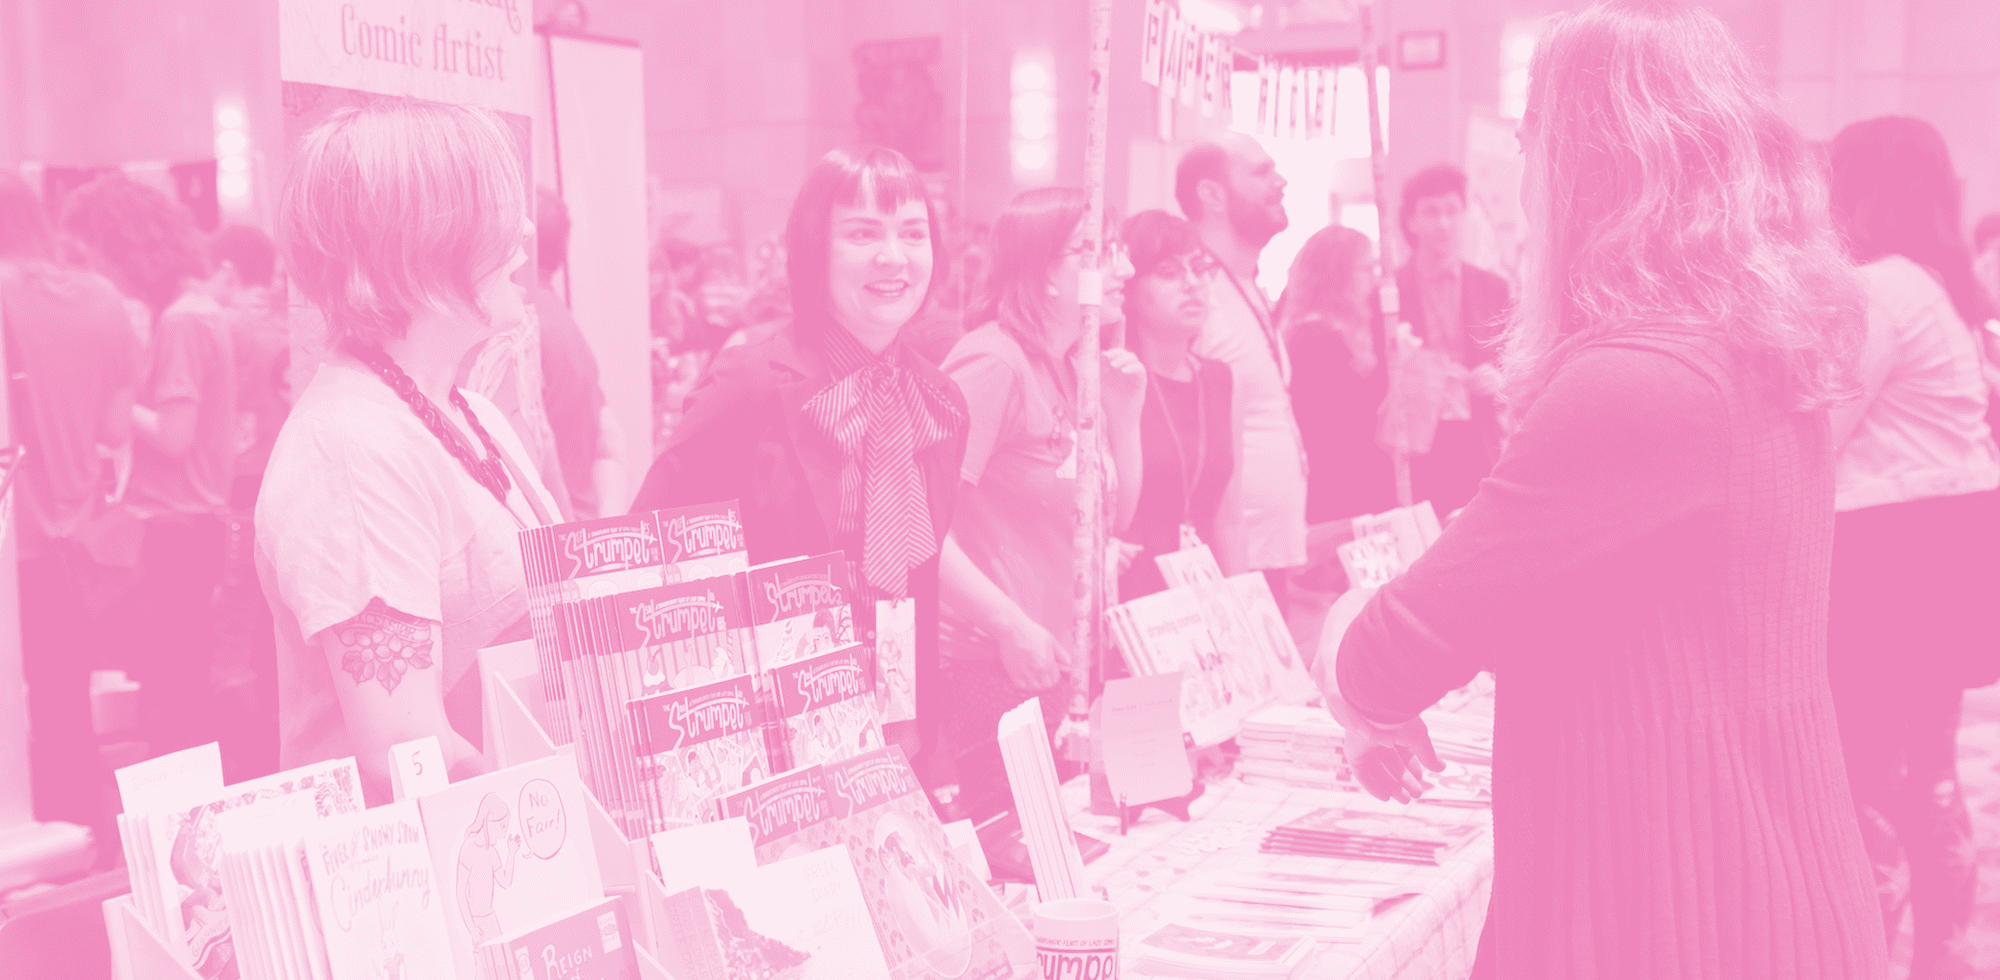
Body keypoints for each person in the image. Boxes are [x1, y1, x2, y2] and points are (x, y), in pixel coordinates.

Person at [1322, 2, 1886, 976]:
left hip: (1675, 907)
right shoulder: (1753, 348)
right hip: (1766, 876)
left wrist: (1344, 634)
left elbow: (1387, 655)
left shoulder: (1635, 381)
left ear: (1585, 167)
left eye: (1529, 140)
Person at [631, 146, 970, 778]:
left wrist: (925, 748)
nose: (893, 256)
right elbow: (647, 558)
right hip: (757, 753)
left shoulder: (939, 401)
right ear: (814, 251)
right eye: (862, 234)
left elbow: (915, 593)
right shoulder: (748, 384)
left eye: (912, 233)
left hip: (890, 747)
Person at [263, 100, 563, 805]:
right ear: (420, 246)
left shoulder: (473, 415)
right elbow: (404, 751)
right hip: (446, 858)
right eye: (494, 211)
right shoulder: (351, 451)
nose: (524, 232)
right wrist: (570, 802)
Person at [1823, 115, 2000, 978]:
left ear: (1864, 193)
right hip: (1948, 548)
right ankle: (1946, 957)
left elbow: (1818, 430)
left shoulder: (1877, 290)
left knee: (1866, 784)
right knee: (1929, 775)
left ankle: (1867, 958)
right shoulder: (1943, 289)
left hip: (1887, 559)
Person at [937, 187, 1141, 818]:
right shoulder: (992, 363)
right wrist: (1009, 625)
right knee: (1018, 853)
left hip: (1057, 663)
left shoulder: (1067, 367)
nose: (1124, 267)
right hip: (991, 666)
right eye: (1096, 250)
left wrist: (1126, 416)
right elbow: (916, 525)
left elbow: (1111, 521)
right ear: (1044, 272)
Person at [62, 173, 238, 758]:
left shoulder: (182, 320)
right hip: (190, 528)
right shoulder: (199, 311)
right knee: (181, 687)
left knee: (173, 697)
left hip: (175, 530)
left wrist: (111, 401)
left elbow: (174, 435)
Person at [0, 173, 136, 840]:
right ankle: (82, 842)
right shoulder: (103, 300)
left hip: (13, 537)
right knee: (64, 705)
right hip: (76, 540)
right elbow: (115, 429)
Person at [1176, 135, 1307, 611]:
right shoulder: (1194, 294)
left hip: (1269, 552)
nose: (1281, 181)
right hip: (1226, 561)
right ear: (1212, 194)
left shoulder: (1244, 283)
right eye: (1261, 172)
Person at [1115, 209, 1233, 602]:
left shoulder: (1219, 379)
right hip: (1131, 594)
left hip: (1204, 592)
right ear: (1130, 289)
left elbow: (1229, 519)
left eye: (1199, 269)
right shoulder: (1112, 377)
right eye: (1169, 272)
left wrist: (1242, 607)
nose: (1192, 284)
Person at [1392, 165, 1513, 517]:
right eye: (1431, 212)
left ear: (1464, 215)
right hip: (1418, 441)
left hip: (1478, 436)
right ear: (1412, 221)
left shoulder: (1493, 288)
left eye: (1452, 211)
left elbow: (1514, 362)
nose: (1443, 223)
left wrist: (1498, 378)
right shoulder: (1389, 292)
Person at [1278, 225, 1398, 527]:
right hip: (1338, 492)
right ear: (1337, 275)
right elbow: (1345, 425)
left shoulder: (1332, 330)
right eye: (1365, 269)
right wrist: (1396, 367)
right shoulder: (1315, 337)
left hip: (1347, 485)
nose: (1373, 280)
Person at [532, 187, 610, 519]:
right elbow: (610, 444)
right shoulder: (563, 326)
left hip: (548, 534)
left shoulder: (516, 327)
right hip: (574, 527)